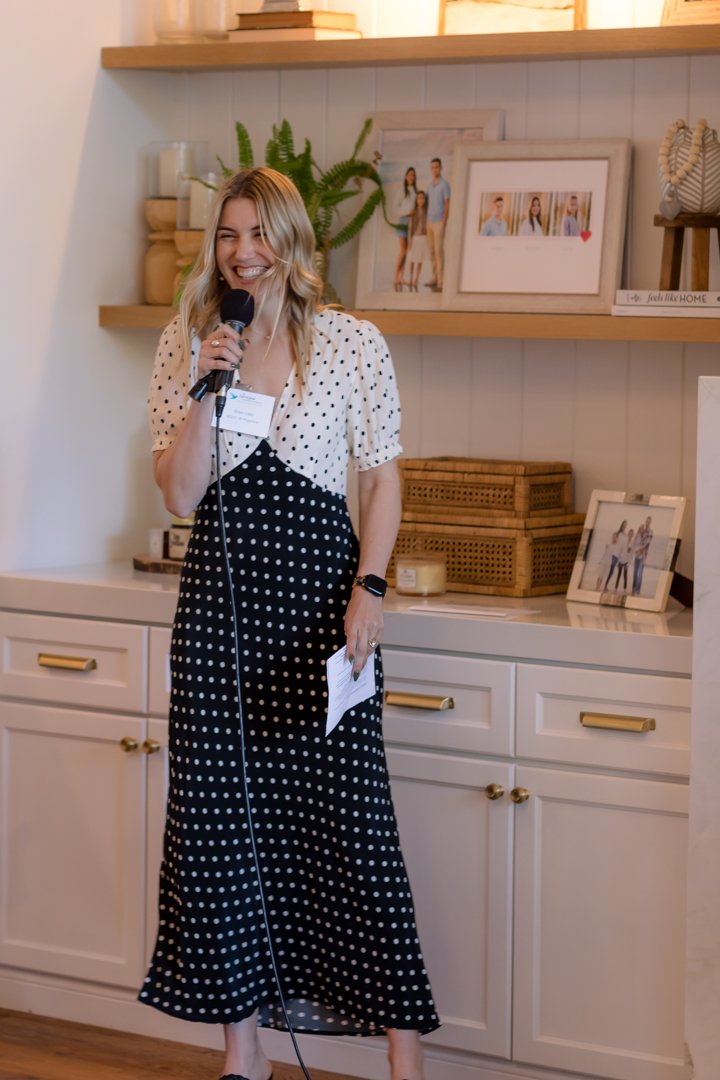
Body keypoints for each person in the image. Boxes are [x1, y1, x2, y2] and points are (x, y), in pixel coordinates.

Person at [140, 166, 439, 1080]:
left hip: (322, 621)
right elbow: (181, 492)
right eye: (229, 235)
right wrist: (204, 385)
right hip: (221, 630)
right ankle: (246, 1058)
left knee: (354, 839)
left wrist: (371, 589)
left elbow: (383, 479)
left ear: (291, 241)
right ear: (216, 248)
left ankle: (403, 1064)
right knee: (224, 836)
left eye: (259, 233)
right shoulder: (189, 342)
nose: (244, 251)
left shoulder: (352, 342)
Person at [424, 156, 450, 291]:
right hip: (429, 221)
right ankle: (434, 277)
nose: (434, 169)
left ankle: (441, 279)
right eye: (432, 167)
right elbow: (426, 202)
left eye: (437, 167)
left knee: (439, 251)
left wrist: (444, 220)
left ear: (441, 168)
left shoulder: (444, 184)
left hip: (439, 222)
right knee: (432, 251)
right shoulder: (429, 185)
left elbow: (447, 203)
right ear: (431, 169)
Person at [393, 166, 418, 290]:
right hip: (403, 221)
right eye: (409, 175)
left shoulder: (415, 191)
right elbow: (395, 207)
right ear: (405, 176)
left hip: (411, 223)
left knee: (407, 251)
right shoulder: (401, 191)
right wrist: (407, 211)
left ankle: (401, 277)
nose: (411, 177)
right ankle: (395, 275)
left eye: (413, 175)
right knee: (402, 250)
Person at [405, 189, 429, 291]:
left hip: (423, 237)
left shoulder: (427, 211)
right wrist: (409, 240)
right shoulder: (413, 212)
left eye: (422, 198)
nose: (421, 200)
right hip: (414, 237)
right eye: (419, 198)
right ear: (416, 200)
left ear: (424, 200)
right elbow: (410, 227)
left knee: (419, 260)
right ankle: (410, 278)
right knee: (412, 260)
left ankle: (416, 279)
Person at [632, 516, 653, 596]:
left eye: (649, 521)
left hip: (643, 555)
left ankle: (637, 590)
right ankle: (633, 589)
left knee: (640, 573)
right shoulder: (642, 531)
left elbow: (647, 543)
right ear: (645, 521)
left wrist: (640, 550)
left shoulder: (650, 532)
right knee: (635, 572)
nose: (647, 522)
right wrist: (636, 550)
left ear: (650, 522)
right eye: (646, 521)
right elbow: (637, 542)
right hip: (637, 554)